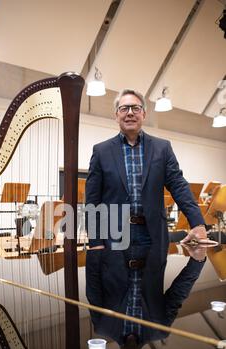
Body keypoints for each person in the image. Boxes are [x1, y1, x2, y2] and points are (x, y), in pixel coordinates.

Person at [85, 89, 208, 250]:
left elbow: (179, 186)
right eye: (124, 108)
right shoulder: (101, 151)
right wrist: (95, 241)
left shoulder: (162, 148)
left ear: (144, 114)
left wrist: (198, 223)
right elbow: (93, 199)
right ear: (116, 116)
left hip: (153, 236)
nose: (130, 113)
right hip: (113, 238)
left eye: (135, 108)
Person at [86, 242, 206, 349]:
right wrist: (197, 262)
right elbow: (178, 294)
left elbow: (93, 288)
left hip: (114, 246)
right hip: (151, 243)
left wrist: (94, 248)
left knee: (99, 218)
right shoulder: (160, 330)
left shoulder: (103, 327)